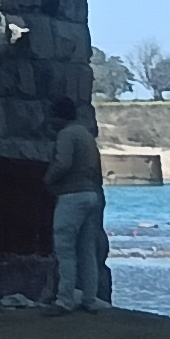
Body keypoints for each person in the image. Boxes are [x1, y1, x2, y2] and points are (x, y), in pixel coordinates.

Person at [44, 94, 113, 311]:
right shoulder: (85, 133)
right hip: (90, 195)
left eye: (52, 117)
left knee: (65, 248)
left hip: (71, 195)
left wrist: (48, 179)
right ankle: (90, 299)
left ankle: (64, 300)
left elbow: (63, 163)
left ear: (58, 117)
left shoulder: (66, 135)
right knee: (87, 250)